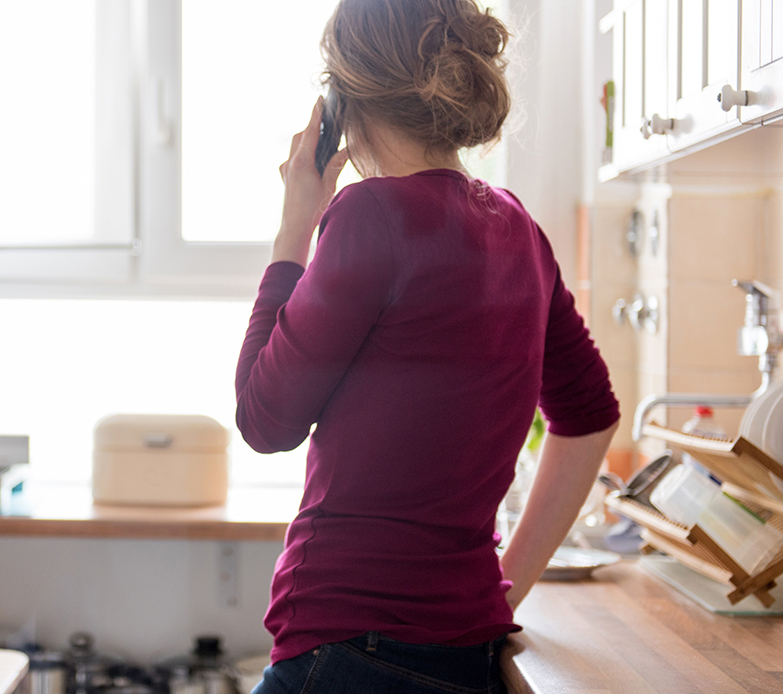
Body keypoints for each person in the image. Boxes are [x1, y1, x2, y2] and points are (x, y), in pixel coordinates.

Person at [234, 1, 620, 692]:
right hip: (465, 652)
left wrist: (295, 226)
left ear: (342, 98)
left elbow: (265, 420)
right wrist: (502, 594)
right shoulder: (518, 229)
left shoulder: (368, 215)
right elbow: (590, 417)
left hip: (346, 643)